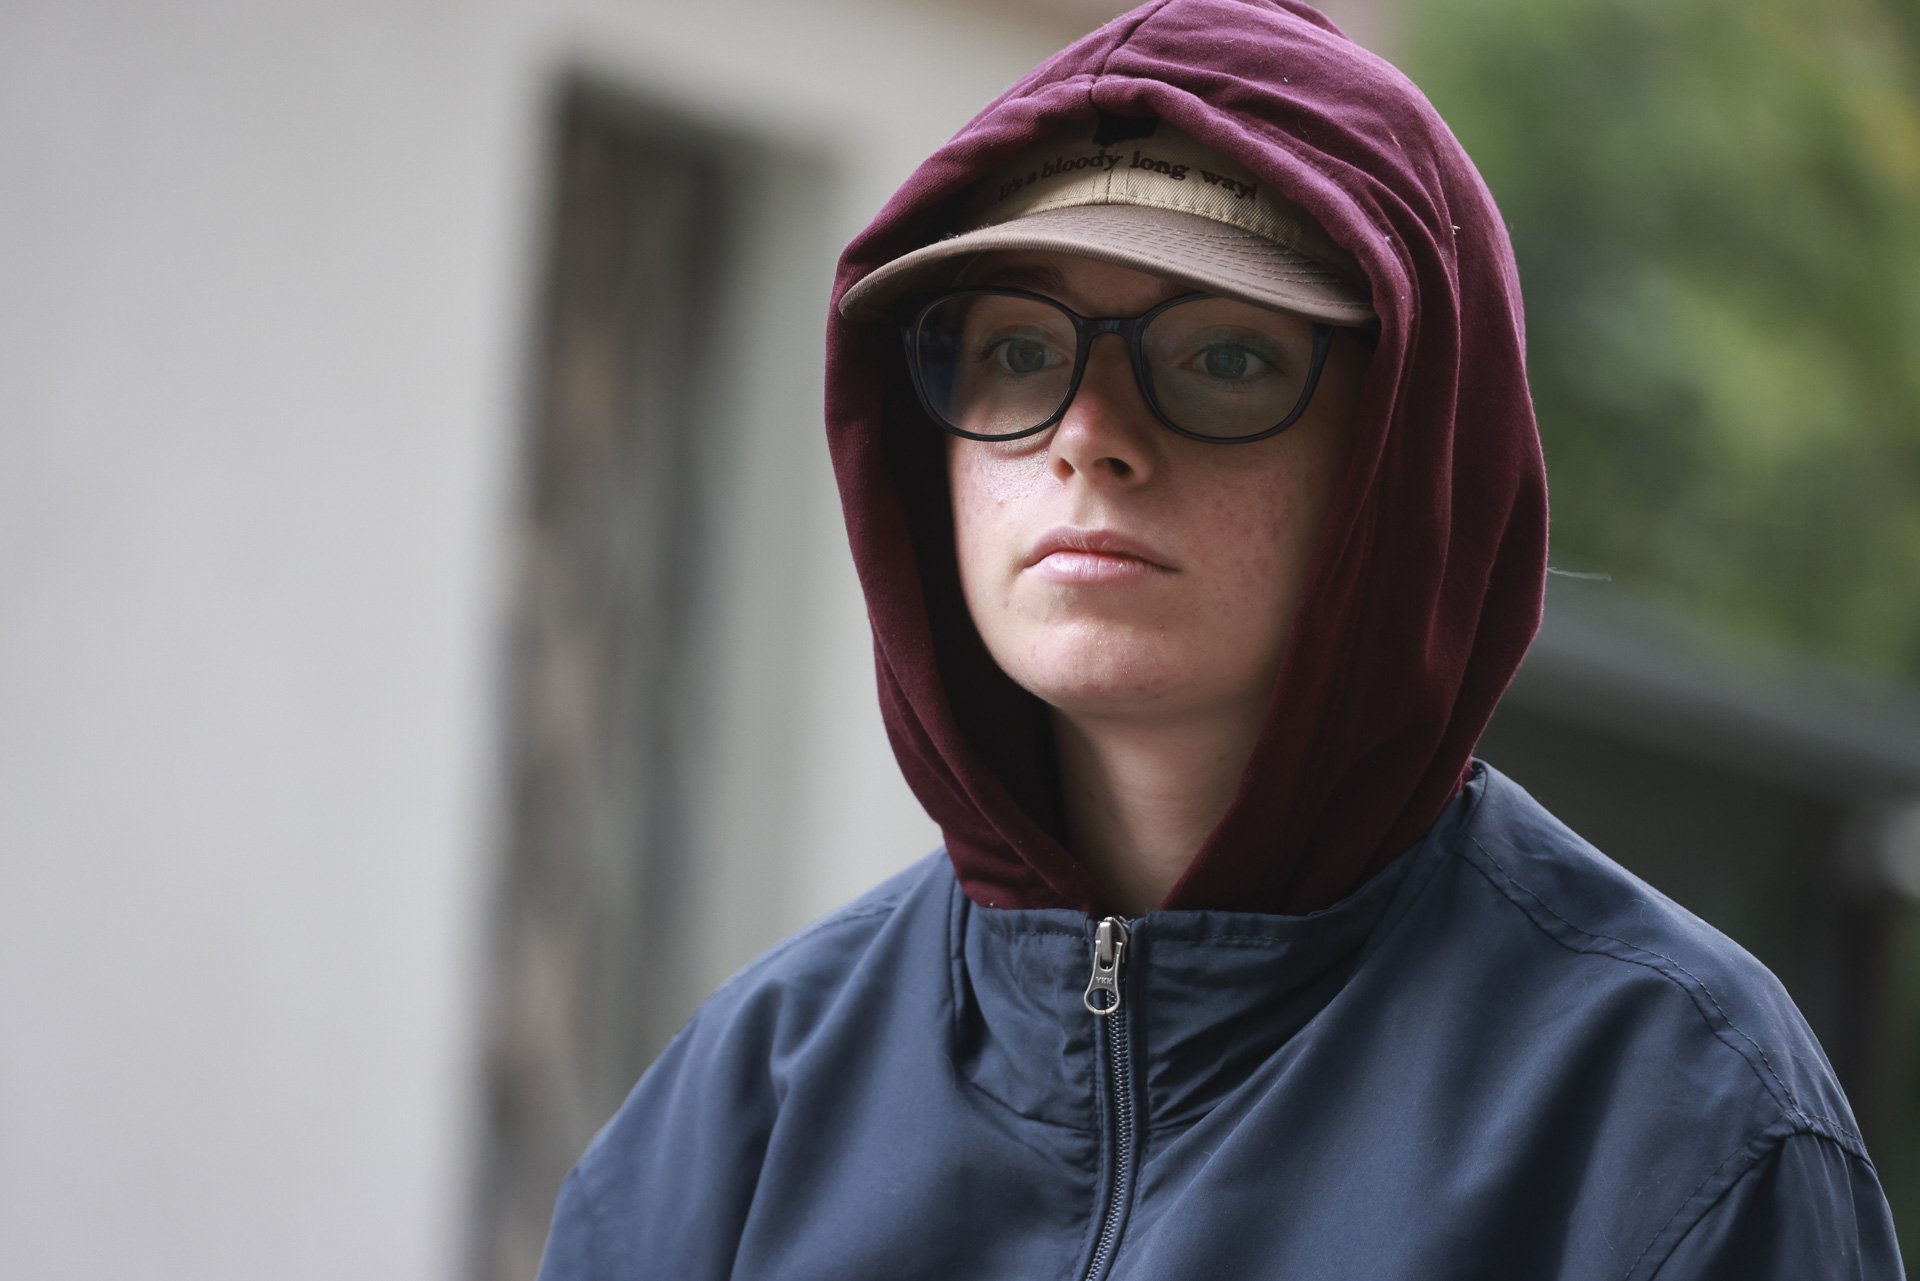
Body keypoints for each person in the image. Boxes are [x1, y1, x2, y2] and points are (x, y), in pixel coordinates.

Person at [538, 1, 1905, 1276]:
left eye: (1224, 358)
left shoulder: (1674, 1121)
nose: (1088, 435)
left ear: (1404, 454)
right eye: (1020, 351)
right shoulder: (743, 1114)